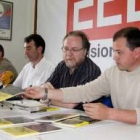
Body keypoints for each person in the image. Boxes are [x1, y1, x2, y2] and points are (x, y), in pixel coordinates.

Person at [24, 27, 140, 125]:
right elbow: (84, 91)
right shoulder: (112, 72)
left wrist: (109, 113)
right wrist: (45, 92)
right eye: (113, 51)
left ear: (137, 52)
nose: (114, 57)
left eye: (119, 52)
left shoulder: (93, 70)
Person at [45, 30, 102, 110]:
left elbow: (71, 105)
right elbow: (46, 87)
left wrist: (48, 98)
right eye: (66, 49)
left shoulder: (91, 71)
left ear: (85, 51)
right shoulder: (62, 65)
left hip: (84, 118)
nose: (69, 53)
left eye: (74, 50)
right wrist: (47, 94)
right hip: (60, 114)